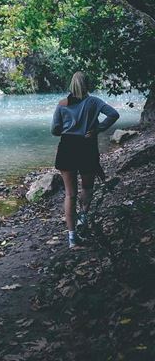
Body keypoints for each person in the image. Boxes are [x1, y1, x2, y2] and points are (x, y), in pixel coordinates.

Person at [51, 71, 120, 248]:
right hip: (87, 148)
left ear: (71, 85)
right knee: (87, 187)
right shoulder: (94, 102)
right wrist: (98, 129)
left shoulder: (62, 104)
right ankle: (83, 216)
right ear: (87, 84)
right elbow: (113, 114)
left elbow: (54, 130)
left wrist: (67, 127)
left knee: (70, 194)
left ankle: (72, 237)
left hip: (67, 148)